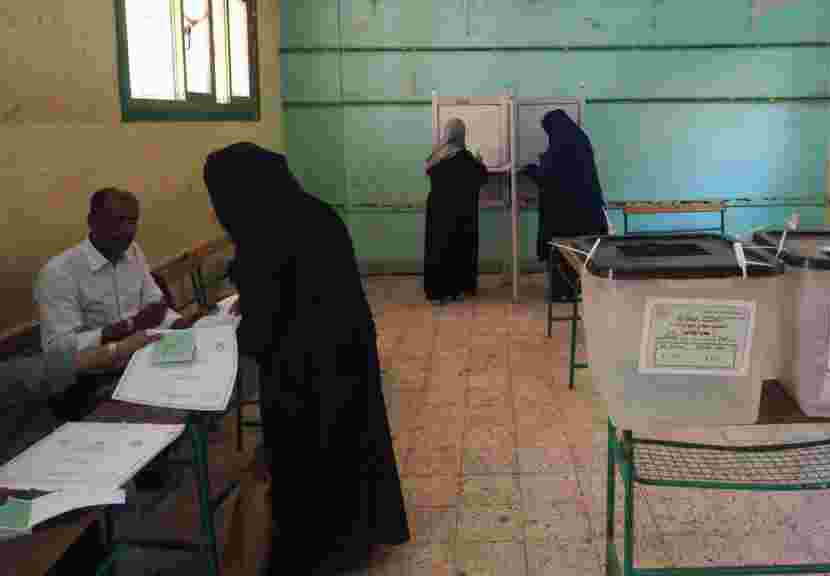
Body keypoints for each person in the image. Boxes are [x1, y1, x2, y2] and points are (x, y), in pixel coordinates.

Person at [203, 142, 410, 575]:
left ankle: (322, 549)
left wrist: (229, 336)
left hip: (302, 371)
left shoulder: (266, 230)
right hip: (346, 352)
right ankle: (360, 533)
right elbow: (294, 286)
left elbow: (269, 319)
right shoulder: (313, 211)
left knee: (309, 456)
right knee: (352, 438)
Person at [1, 331, 161, 575]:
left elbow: (28, 372)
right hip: (15, 505)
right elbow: (29, 372)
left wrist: (113, 351)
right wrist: (111, 350)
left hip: (29, 475)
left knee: (110, 484)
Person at [34, 187, 193, 421]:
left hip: (139, 360)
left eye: (133, 221)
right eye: (118, 220)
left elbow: (154, 305)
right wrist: (121, 330)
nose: (128, 230)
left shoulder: (133, 251)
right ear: (92, 221)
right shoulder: (58, 273)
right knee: (167, 411)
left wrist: (180, 324)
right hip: (91, 380)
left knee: (194, 384)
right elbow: (58, 351)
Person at [522, 109, 609, 301]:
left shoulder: (559, 147)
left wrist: (531, 170)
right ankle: (580, 290)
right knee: (581, 254)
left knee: (562, 253)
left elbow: (549, 178)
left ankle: (562, 293)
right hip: (588, 213)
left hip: (565, 216)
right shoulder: (580, 141)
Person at [423, 117, 489, 304]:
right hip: (462, 213)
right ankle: (456, 290)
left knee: (438, 248)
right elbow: (482, 177)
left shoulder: (437, 158)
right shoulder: (468, 159)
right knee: (458, 249)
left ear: (447, 134)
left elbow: (427, 169)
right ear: (463, 135)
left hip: (438, 212)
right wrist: (480, 161)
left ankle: (436, 293)